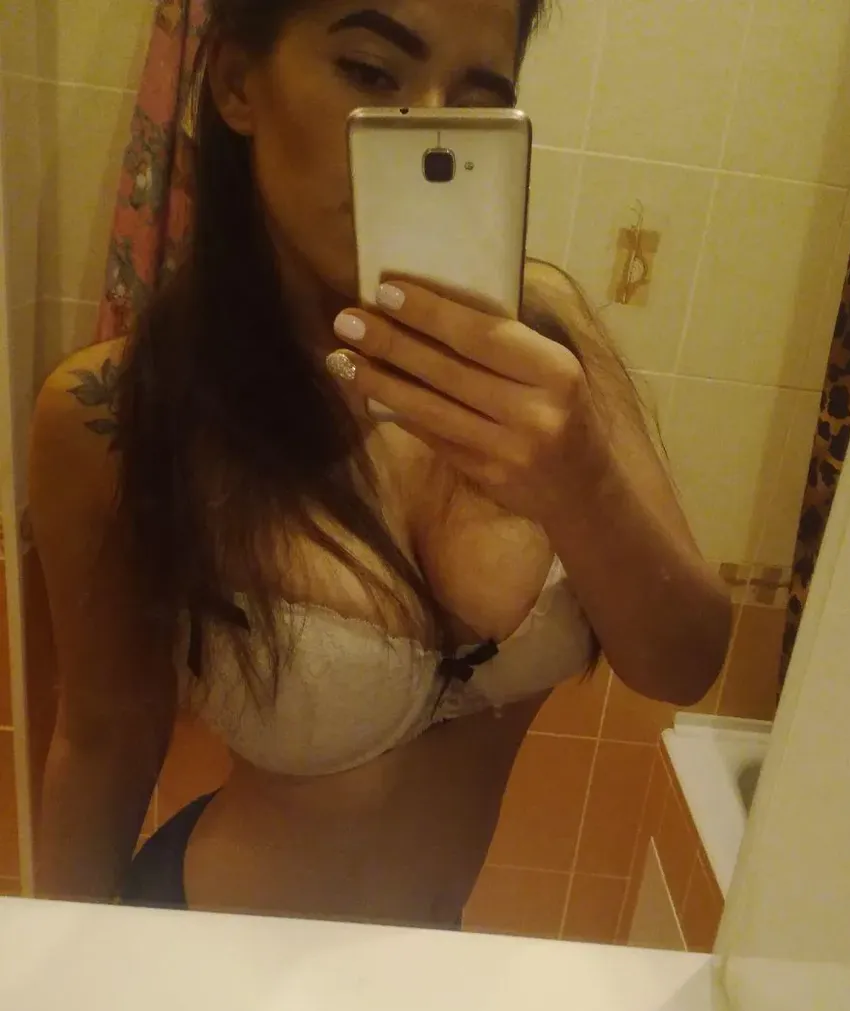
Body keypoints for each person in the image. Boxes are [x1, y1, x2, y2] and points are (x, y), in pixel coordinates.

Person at [29, 0, 731, 928]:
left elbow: (684, 665)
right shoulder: (118, 409)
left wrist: (580, 482)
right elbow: (103, 741)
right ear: (238, 83)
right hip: (209, 951)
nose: (421, 128)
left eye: (474, 101)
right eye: (369, 72)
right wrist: (58, 976)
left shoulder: (544, 344)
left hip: (426, 970)